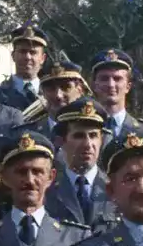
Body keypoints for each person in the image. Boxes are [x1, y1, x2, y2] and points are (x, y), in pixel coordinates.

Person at [44, 97, 117, 229]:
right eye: (79, 136)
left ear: (102, 140)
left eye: (93, 135)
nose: (88, 144)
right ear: (61, 141)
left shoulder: (116, 189)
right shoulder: (47, 189)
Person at [0, 22, 48, 110]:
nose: (27, 57)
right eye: (22, 52)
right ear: (13, 55)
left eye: (33, 52)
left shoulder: (51, 93)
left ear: (42, 58)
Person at [90, 49, 138, 137]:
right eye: (104, 78)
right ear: (94, 86)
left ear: (128, 86)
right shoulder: (84, 128)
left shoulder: (142, 131)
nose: (111, 85)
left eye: (117, 79)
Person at [37, 57, 88, 137]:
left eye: (65, 87)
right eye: (51, 88)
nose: (58, 95)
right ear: (42, 93)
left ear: (80, 90)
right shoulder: (28, 133)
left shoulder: (92, 129)